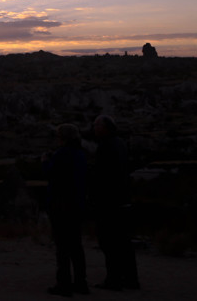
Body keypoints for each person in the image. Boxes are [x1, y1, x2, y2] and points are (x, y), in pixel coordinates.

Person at [91, 115, 140, 290]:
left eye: (97, 125)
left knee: (110, 243)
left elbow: (102, 177)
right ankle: (130, 279)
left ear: (105, 128)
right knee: (124, 244)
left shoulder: (106, 147)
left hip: (109, 204)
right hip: (122, 200)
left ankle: (114, 280)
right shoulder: (119, 144)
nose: (94, 128)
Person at [43, 123, 89, 296]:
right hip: (76, 205)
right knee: (76, 246)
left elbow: (51, 173)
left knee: (62, 247)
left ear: (62, 138)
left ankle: (64, 284)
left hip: (61, 206)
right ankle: (80, 282)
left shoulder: (62, 154)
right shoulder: (80, 154)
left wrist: (45, 162)